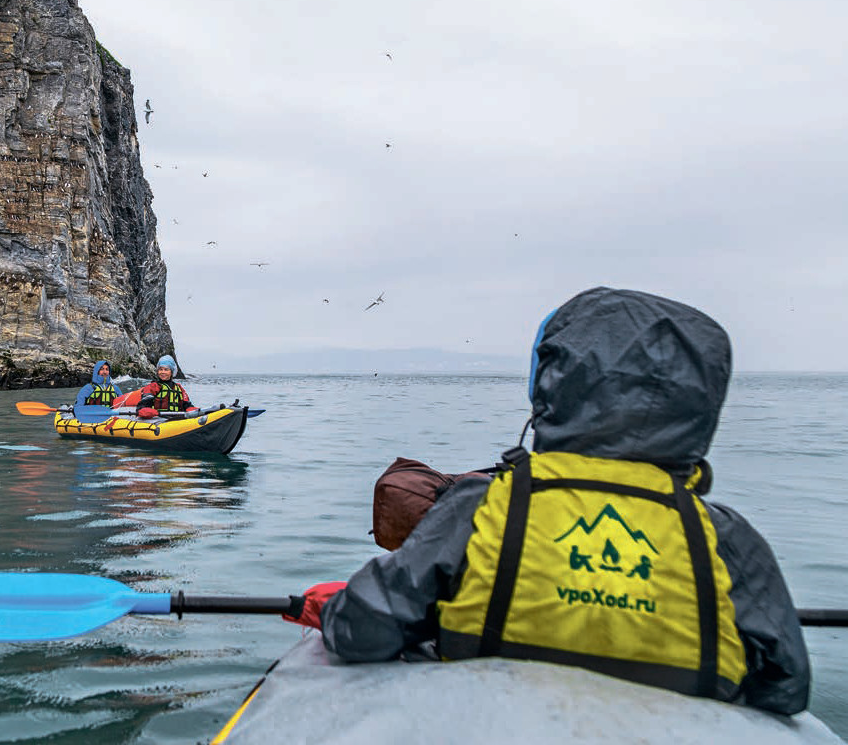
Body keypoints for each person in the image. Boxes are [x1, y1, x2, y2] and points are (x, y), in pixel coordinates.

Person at [285, 286, 810, 715]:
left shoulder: (481, 504)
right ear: (701, 403)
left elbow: (361, 632)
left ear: (552, 383)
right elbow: (785, 686)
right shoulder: (724, 535)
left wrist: (355, 619)